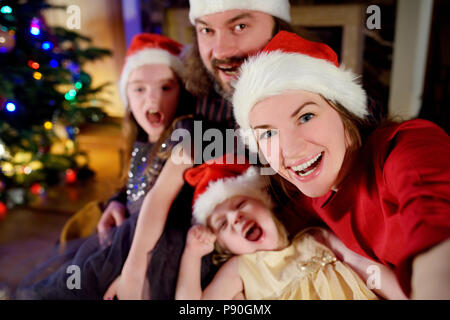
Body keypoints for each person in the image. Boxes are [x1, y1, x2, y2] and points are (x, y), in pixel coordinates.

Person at [231, 31, 450, 299]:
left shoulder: (404, 148)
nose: (289, 149)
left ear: (343, 112)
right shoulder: (311, 193)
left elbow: (435, 215)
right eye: (268, 133)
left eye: (306, 116)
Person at [14, 33, 196, 299]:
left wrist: (134, 271)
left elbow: (159, 200)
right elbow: (133, 183)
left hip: (156, 245)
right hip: (124, 236)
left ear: (181, 91)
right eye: (139, 89)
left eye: (166, 88)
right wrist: (116, 201)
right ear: (127, 99)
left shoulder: (186, 131)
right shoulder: (140, 140)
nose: (153, 100)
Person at [174, 159, 406, 300]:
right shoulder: (240, 270)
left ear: (265, 204)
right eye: (223, 224)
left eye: (241, 204)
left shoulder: (316, 237)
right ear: (223, 245)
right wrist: (192, 254)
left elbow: (367, 267)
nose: (236, 218)